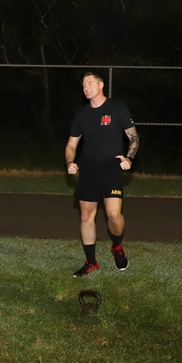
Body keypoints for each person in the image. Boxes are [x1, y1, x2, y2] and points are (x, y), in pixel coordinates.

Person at [65, 72, 140, 277]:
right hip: (88, 169)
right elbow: (71, 145)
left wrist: (129, 158)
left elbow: (133, 138)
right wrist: (70, 162)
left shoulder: (117, 108)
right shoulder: (82, 114)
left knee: (114, 215)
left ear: (101, 85)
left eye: (90, 83)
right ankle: (91, 262)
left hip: (112, 168)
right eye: (83, 85)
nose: (86, 87)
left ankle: (117, 246)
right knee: (85, 216)